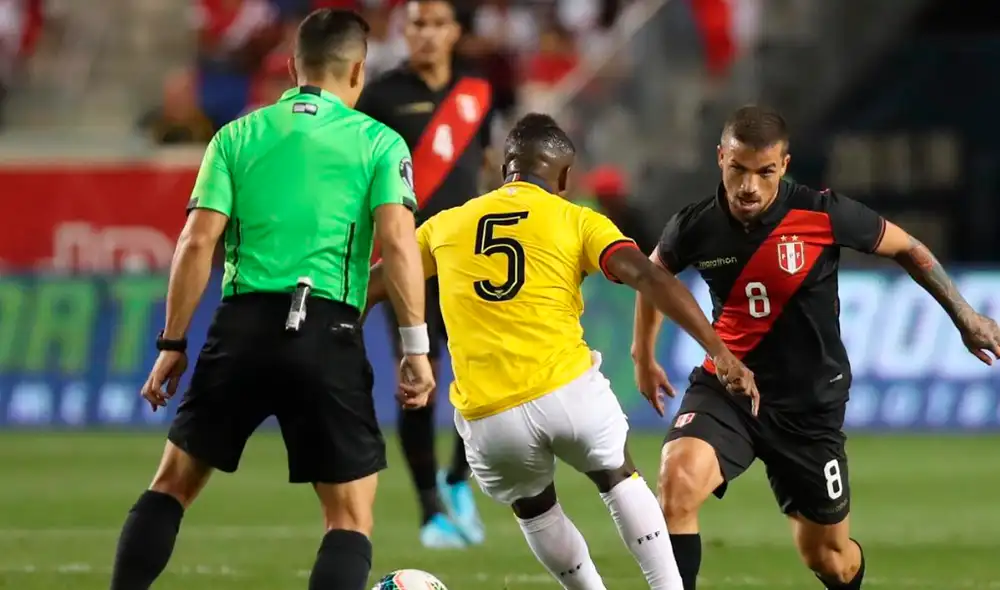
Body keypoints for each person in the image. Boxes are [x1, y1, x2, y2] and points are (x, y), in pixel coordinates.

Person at [108, 10, 434, 590]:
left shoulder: (235, 136)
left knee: (171, 485)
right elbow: (398, 244)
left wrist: (172, 342)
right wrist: (415, 346)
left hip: (240, 327)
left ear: (291, 68)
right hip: (327, 330)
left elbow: (196, 242)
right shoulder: (380, 143)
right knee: (348, 516)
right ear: (358, 70)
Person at [365, 113, 759, 590]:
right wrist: (719, 350)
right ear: (566, 177)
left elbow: (378, 283)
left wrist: (351, 335)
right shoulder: (577, 219)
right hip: (565, 391)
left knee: (535, 509)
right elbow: (651, 277)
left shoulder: (444, 226)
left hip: (489, 415)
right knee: (617, 476)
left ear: (505, 168)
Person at [632, 105, 1000, 590]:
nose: (748, 186)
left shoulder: (823, 214)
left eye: (764, 172)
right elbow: (652, 279)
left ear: (783, 166)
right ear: (720, 157)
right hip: (729, 390)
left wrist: (965, 316)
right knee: (676, 485)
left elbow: (910, 248)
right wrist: (644, 355)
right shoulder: (694, 225)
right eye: (737, 169)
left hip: (809, 406)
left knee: (829, 558)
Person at [354, 0, 495, 548]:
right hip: (406, 259)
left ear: (456, 31)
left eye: (438, 24)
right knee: (418, 380)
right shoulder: (382, 95)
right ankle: (430, 507)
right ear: (403, 30)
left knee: (481, 376)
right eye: (417, 24)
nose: (428, 34)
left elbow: (482, 166)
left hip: (467, 257)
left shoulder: (477, 93)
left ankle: (458, 477)